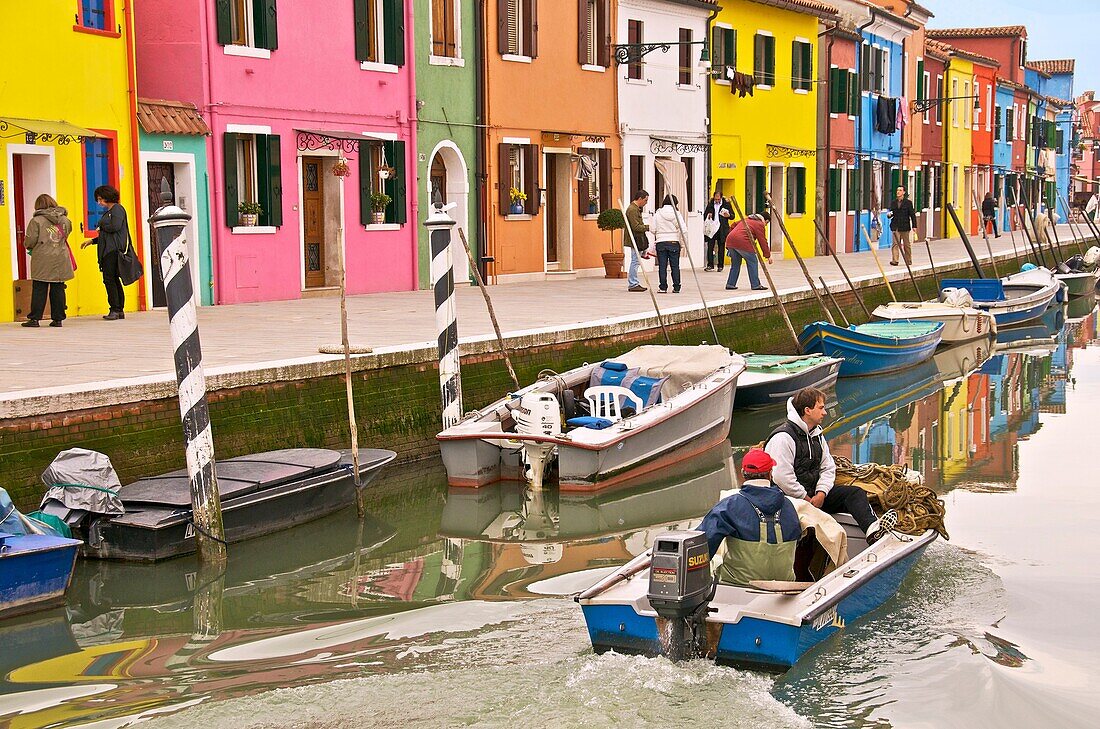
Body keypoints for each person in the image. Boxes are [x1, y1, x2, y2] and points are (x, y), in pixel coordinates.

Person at [764, 387, 889, 543]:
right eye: (821, 408)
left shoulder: (817, 435)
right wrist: (806, 499)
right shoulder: (783, 438)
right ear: (807, 410)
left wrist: (821, 494)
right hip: (790, 501)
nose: (824, 412)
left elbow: (828, 467)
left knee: (855, 494)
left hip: (815, 497)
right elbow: (782, 477)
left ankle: (873, 531)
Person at [697, 449, 801, 586]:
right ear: (770, 474)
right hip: (784, 587)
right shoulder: (789, 505)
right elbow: (797, 538)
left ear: (742, 474)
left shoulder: (729, 506)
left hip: (739, 586)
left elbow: (701, 545)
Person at [21, 194, 75, 328]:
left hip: (42, 257)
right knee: (58, 287)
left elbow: (30, 240)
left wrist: (28, 246)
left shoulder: (36, 221)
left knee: (39, 287)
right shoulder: (65, 220)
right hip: (60, 257)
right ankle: (58, 319)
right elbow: (66, 235)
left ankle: (35, 319)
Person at [80, 185, 129, 320]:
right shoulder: (110, 211)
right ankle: (118, 309)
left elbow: (115, 226)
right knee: (112, 279)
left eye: (101, 199)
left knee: (109, 279)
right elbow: (106, 234)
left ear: (108, 197)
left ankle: (115, 308)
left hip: (112, 250)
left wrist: (101, 227)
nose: (99, 202)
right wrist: (92, 241)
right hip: (108, 249)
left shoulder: (117, 209)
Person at [724, 211, 771, 291]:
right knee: (753, 262)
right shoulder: (759, 224)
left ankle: (730, 284)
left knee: (735, 264)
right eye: (766, 223)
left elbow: (733, 225)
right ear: (765, 220)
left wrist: (733, 236)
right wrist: (768, 255)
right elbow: (762, 240)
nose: (765, 225)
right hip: (743, 242)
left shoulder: (746, 219)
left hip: (730, 241)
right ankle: (755, 285)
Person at [651, 194, 686, 294]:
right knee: (675, 266)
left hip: (661, 242)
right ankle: (676, 287)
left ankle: (663, 287)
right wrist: (683, 244)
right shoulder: (676, 214)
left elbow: (653, 229)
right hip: (674, 242)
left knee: (662, 266)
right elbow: (683, 229)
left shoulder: (658, 213)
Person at [624, 190, 650, 293]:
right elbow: (636, 226)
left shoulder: (636, 209)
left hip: (638, 238)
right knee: (635, 261)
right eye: (645, 200)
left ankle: (634, 283)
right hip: (635, 238)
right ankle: (633, 283)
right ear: (640, 199)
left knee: (636, 260)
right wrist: (648, 227)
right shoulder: (632, 210)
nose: (646, 202)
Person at [702, 191, 733, 272]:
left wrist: (728, 215)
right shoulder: (710, 204)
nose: (717, 201)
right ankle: (710, 265)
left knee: (721, 247)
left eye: (718, 199)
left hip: (722, 228)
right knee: (710, 246)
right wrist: (708, 215)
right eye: (716, 199)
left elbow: (733, 216)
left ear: (721, 198)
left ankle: (720, 265)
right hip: (712, 227)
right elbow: (704, 215)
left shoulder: (726, 204)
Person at [887, 186, 918, 266]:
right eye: (897, 190)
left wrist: (914, 226)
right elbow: (891, 213)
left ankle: (908, 260)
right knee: (895, 244)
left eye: (900, 190)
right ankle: (895, 260)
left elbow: (912, 215)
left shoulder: (908, 203)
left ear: (904, 192)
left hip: (905, 226)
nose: (898, 192)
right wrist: (889, 215)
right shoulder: (893, 202)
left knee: (906, 244)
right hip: (895, 226)